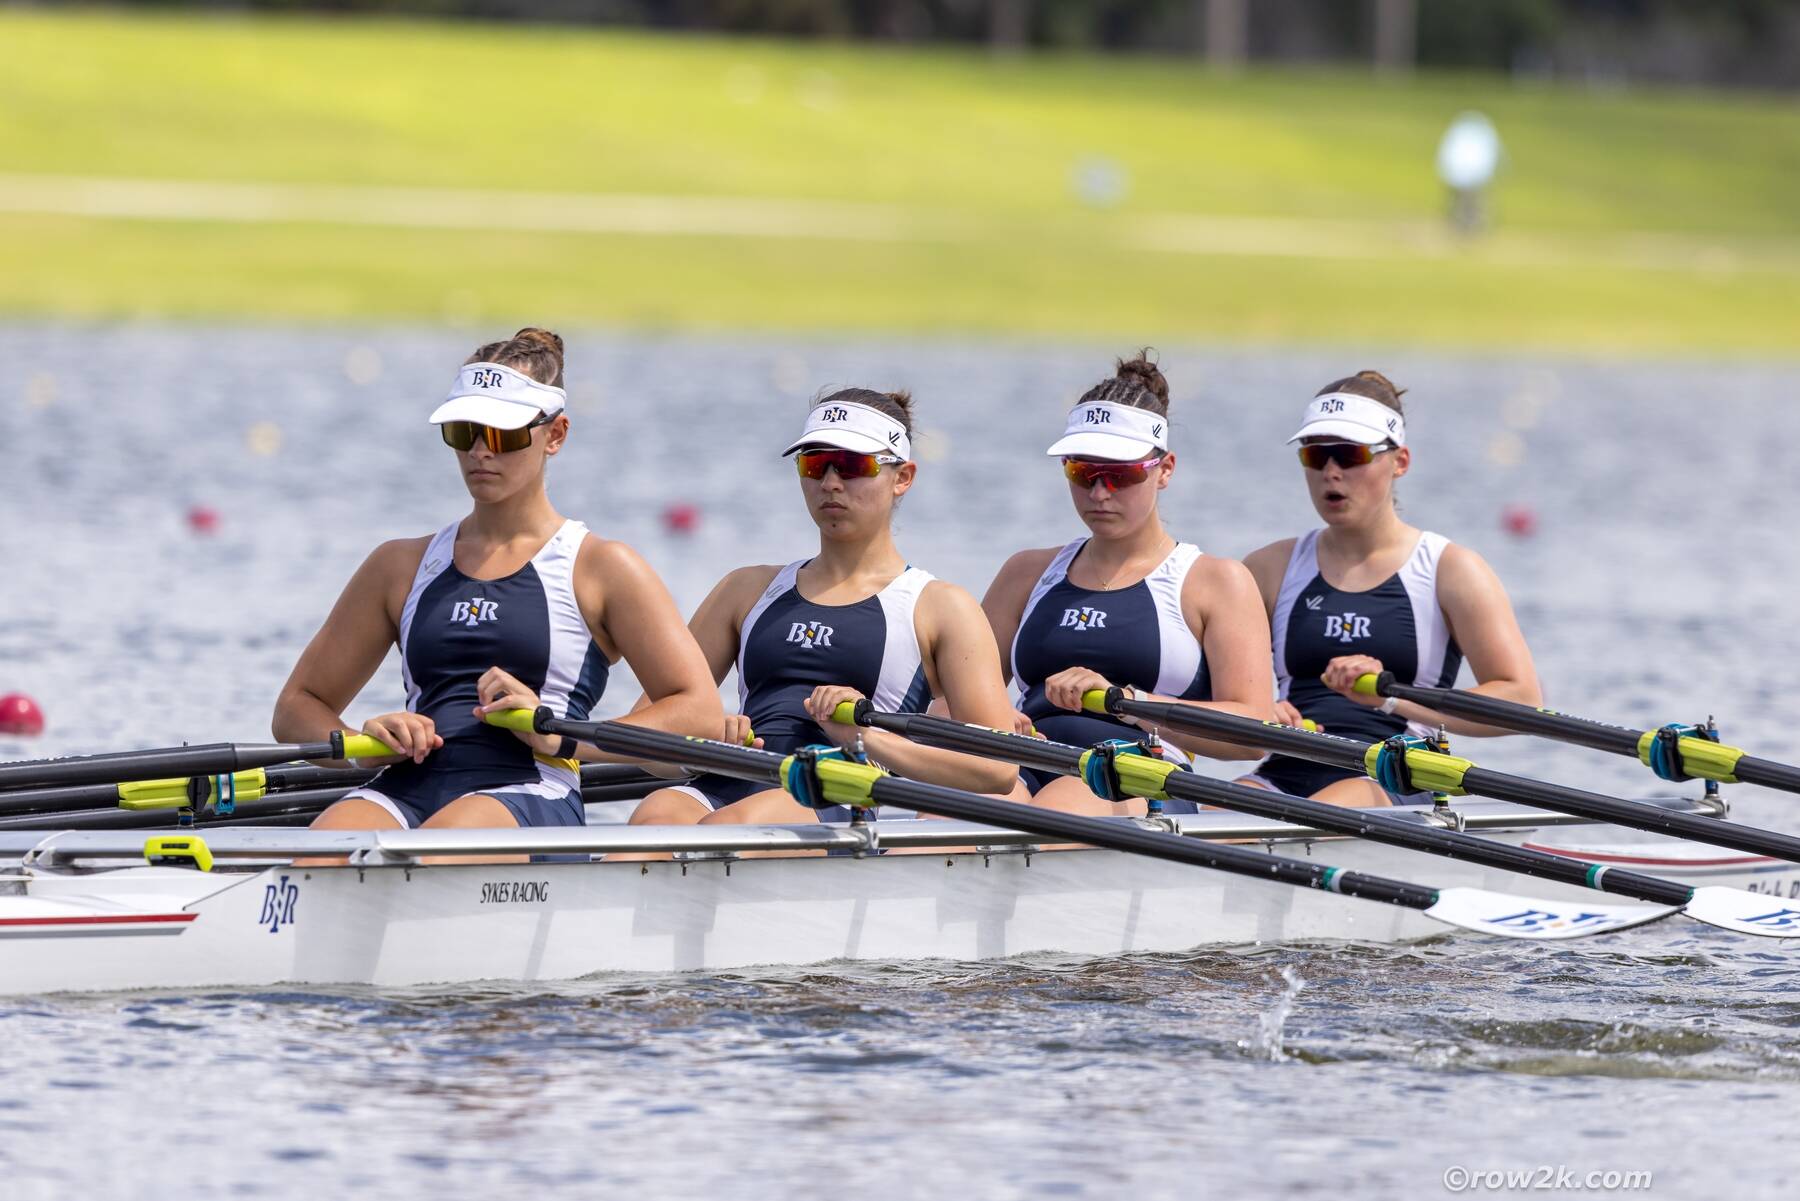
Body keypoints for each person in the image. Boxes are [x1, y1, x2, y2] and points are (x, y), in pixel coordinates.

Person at [272, 328, 721, 839]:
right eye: (464, 431)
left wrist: (557, 734)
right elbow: (295, 708)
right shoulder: (397, 565)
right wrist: (360, 741)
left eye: (503, 434)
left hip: (531, 790)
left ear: (556, 435)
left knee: (437, 844)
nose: (481, 451)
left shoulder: (602, 567)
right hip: (404, 787)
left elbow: (699, 713)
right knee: (317, 852)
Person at [589, 386, 1019, 839]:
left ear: (903, 477)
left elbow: (996, 770)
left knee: (728, 828)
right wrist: (699, 746)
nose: (830, 483)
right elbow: (646, 746)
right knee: (652, 818)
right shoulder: (746, 589)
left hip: (838, 792)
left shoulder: (940, 607)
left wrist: (863, 738)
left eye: (853, 466)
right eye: (815, 464)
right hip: (729, 777)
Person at [982, 354, 1276, 816]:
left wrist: (1128, 703)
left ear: (1165, 469)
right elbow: (945, 701)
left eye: (1120, 475)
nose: (1099, 493)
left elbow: (1254, 734)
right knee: (949, 807)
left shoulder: (1215, 582)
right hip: (1024, 762)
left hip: (1141, 776)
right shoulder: (1025, 573)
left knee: (1051, 811)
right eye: (1082, 472)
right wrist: (991, 718)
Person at [1240, 370, 1542, 807]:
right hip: (1285, 773)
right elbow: (1208, 691)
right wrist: (1255, 709)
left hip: (1397, 778)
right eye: (1315, 455)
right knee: (1210, 817)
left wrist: (1389, 697)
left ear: (1400, 461)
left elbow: (1521, 698)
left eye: (1349, 454)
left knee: (1320, 810)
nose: (1331, 472)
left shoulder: (1452, 570)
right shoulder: (1269, 568)